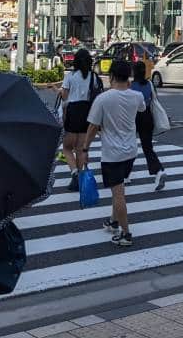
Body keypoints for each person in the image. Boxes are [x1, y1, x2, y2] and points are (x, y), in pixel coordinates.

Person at [83, 60, 144, 246]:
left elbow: (93, 126)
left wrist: (85, 148)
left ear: (111, 76)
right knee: (118, 189)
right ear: (128, 77)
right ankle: (113, 220)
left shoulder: (103, 98)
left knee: (118, 194)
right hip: (131, 151)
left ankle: (126, 233)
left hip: (112, 153)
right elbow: (142, 109)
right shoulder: (137, 96)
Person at [60, 49, 99, 191]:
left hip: (73, 111)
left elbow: (64, 96)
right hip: (87, 112)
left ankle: (75, 173)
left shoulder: (70, 76)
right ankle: (79, 177)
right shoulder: (93, 77)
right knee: (81, 148)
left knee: (67, 147)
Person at [132, 61, 166, 191]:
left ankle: (125, 174)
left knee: (128, 145)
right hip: (147, 117)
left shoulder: (131, 86)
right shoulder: (149, 84)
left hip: (134, 118)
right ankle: (158, 171)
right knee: (148, 148)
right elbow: (154, 98)